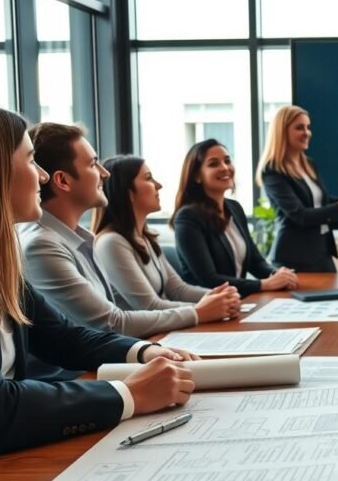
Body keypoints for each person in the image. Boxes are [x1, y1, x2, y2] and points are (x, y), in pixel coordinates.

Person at [0, 97, 197, 467]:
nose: (42, 175)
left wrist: (143, 352)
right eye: (30, 159)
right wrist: (126, 394)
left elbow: (64, 336)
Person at [18, 123, 239, 337]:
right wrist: (199, 312)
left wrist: (214, 301)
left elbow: (173, 291)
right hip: (84, 371)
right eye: (93, 164)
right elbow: (111, 323)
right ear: (63, 181)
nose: (104, 173)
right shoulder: (43, 245)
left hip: (112, 356)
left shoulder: (80, 238)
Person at [93, 155, 239, 316]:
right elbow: (149, 306)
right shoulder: (111, 243)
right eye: (149, 178)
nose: (159, 185)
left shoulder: (145, 238)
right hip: (143, 338)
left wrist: (219, 297)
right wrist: (205, 308)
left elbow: (178, 289)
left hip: (165, 330)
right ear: (128, 192)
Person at [257, 105, 338, 272]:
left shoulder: (308, 164)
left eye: (308, 127)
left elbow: (319, 202)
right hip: (294, 258)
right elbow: (300, 215)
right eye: (299, 128)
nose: (307, 133)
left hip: (321, 251)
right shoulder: (273, 171)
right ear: (282, 132)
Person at [172, 138, 299, 297]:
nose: (225, 168)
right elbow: (208, 279)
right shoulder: (188, 217)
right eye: (213, 164)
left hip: (237, 303)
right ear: (197, 176)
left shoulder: (234, 208)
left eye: (227, 161)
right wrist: (263, 284)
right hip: (208, 308)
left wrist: (278, 275)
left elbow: (255, 262)